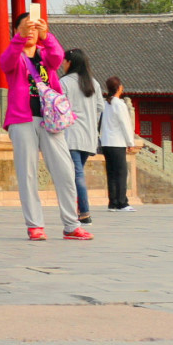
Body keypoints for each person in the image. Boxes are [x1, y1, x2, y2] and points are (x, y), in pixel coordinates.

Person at [1, 15, 82, 239]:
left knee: (65, 171)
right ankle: (35, 225)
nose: (31, 31)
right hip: (22, 119)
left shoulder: (45, 55)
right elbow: (4, 62)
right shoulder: (14, 55)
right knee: (27, 174)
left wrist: (47, 36)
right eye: (26, 27)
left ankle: (71, 225)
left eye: (35, 27)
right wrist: (19, 38)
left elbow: (57, 59)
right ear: (16, 30)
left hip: (51, 119)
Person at [61, 49, 103, 224]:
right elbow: (100, 107)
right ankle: (79, 210)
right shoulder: (94, 83)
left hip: (71, 134)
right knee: (77, 173)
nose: (62, 64)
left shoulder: (64, 82)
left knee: (76, 174)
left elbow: (59, 107)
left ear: (70, 62)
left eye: (64, 61)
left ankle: (84, 211)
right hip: (89, 136)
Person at [99, 76, 138, 211]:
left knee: (111, 173)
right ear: (119, 88)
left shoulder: (105, 104)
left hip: (106, 143)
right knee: (121, 173)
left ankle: (113, 202)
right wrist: (130, 142)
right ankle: (122, 202)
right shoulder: (119, 104)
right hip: (117, 143)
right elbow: (125, 125)